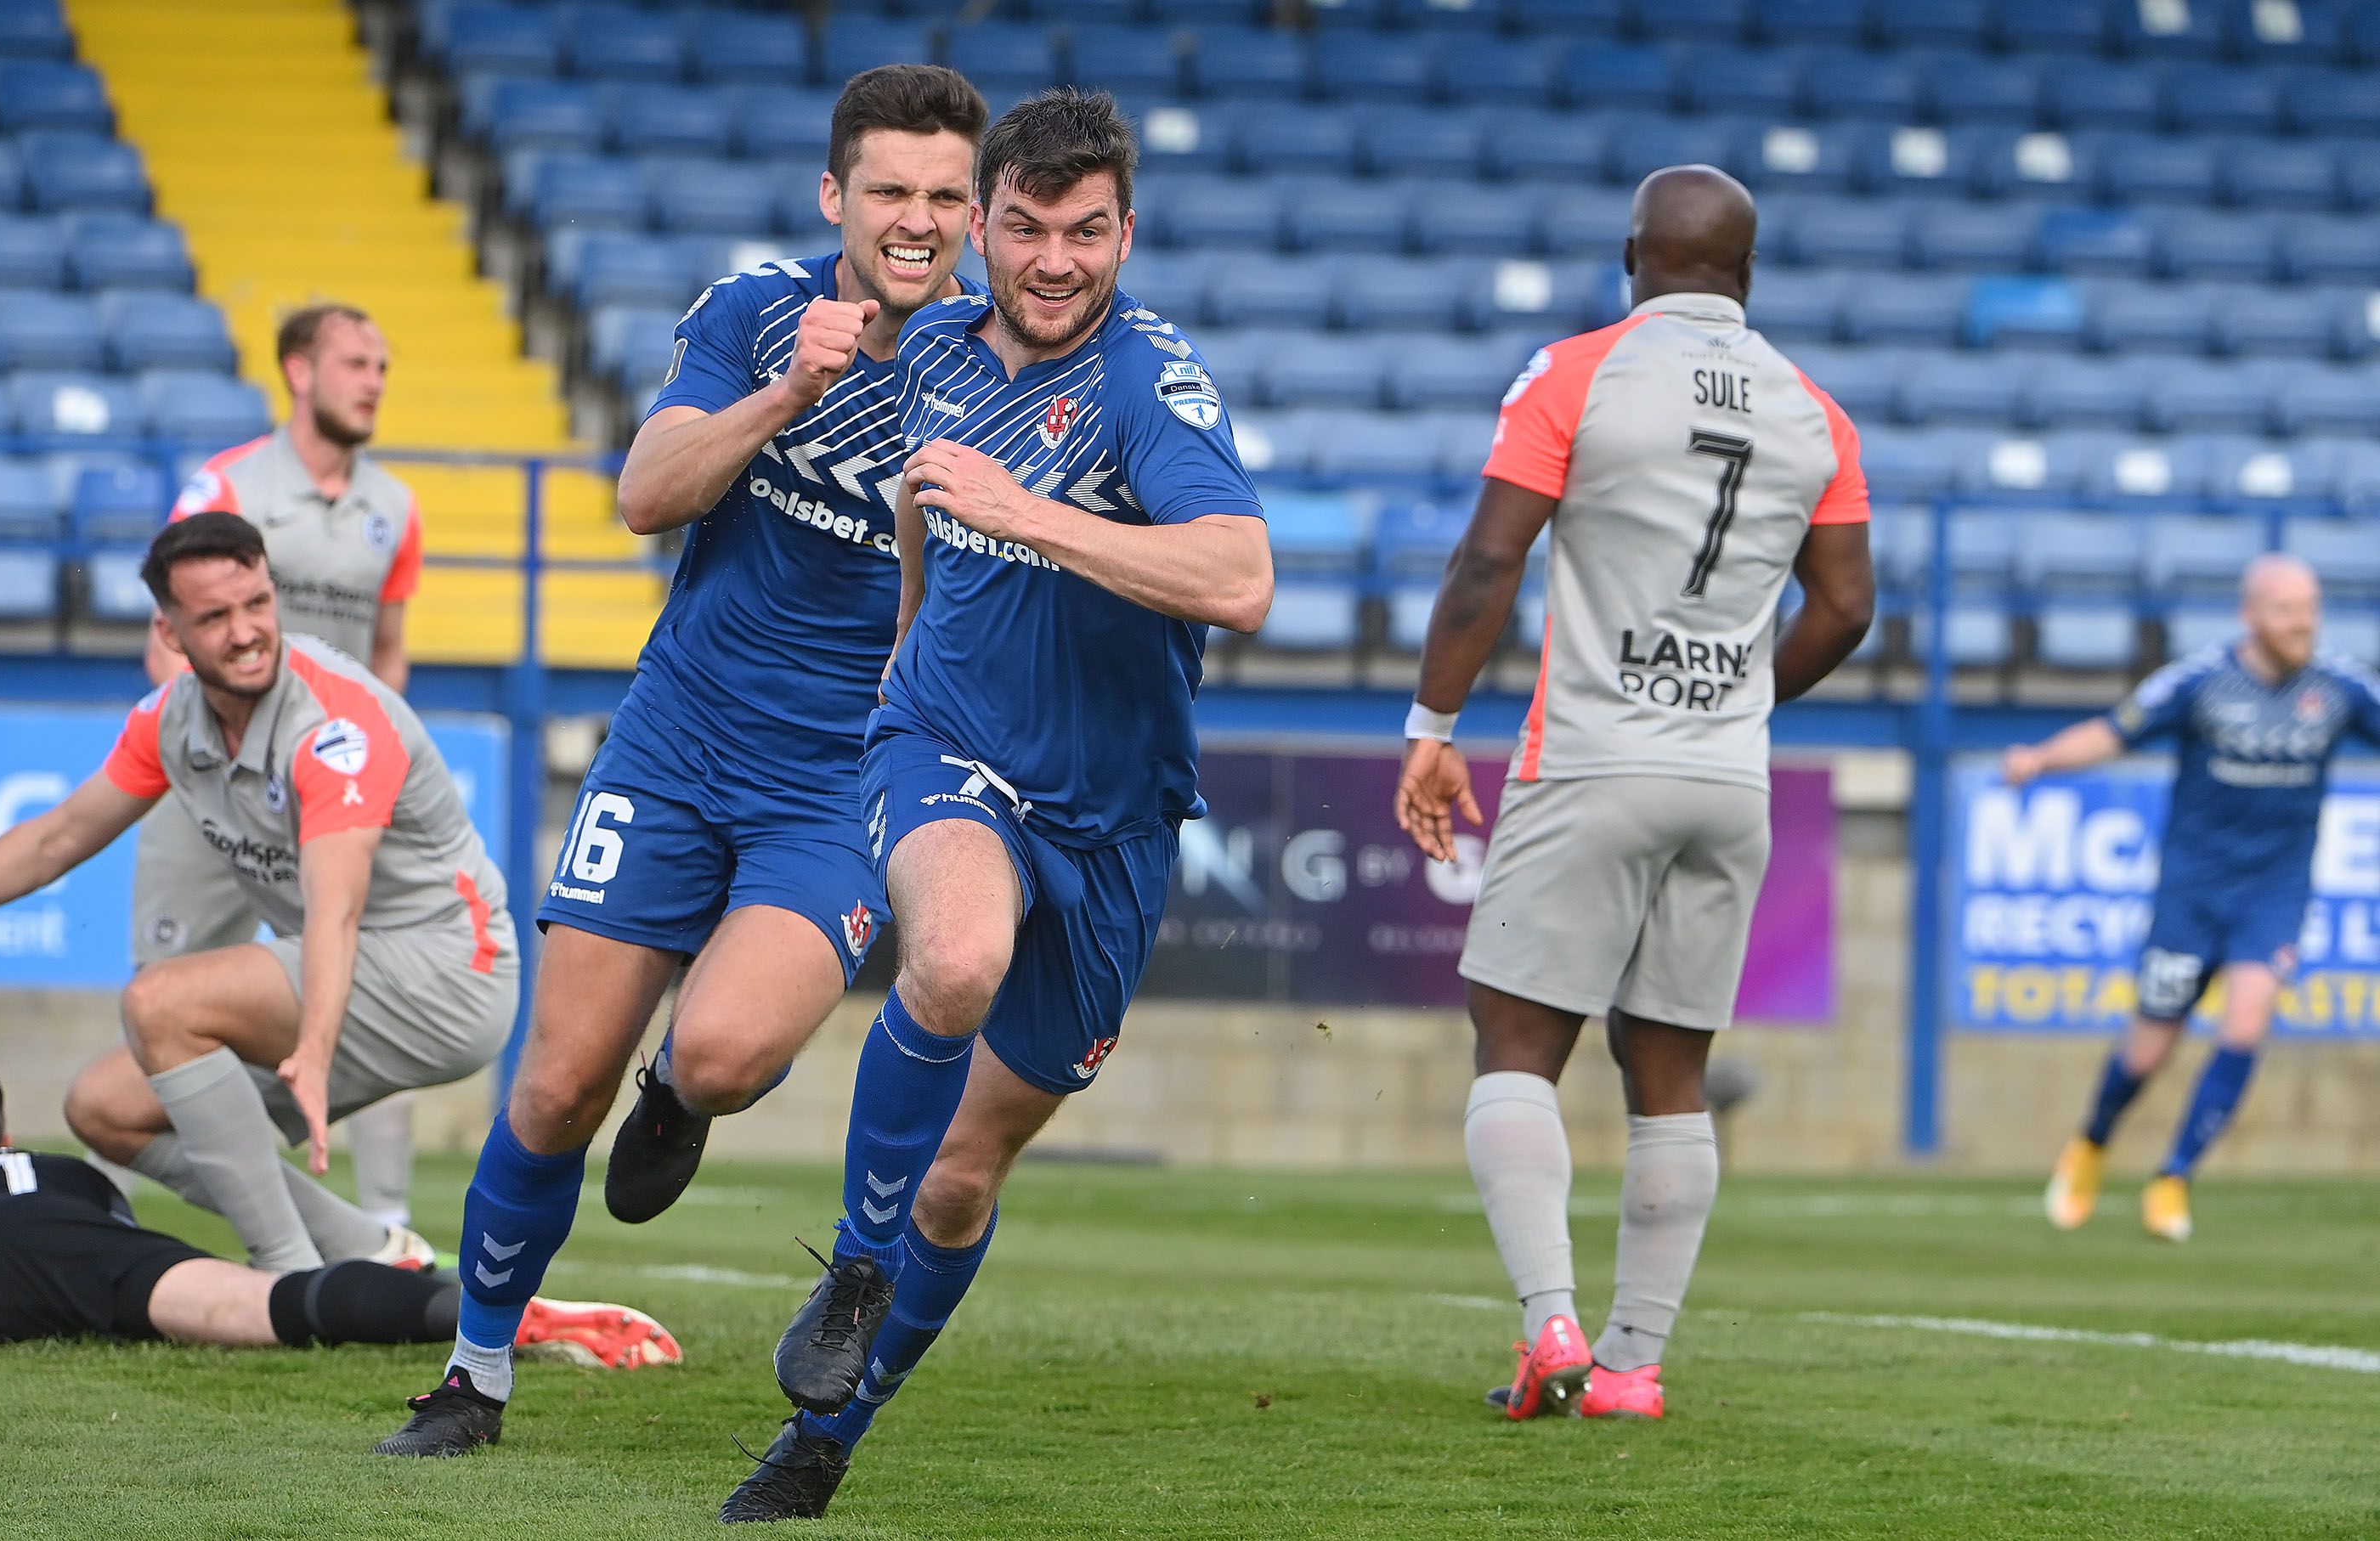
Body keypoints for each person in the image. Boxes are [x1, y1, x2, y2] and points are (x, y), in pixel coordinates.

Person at [369, 65, 990, 1460]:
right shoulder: (754, 311)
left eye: (948, 194)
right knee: (548, 1088)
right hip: (677, 739)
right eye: (891, 189)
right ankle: (473, 1377)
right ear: (838, 195)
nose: (920, 218)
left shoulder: (996, 367)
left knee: (716, 1050)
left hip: (844, 777)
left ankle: (681, 1094)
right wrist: (788, 392)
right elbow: (645, 494)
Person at [721, 87, 1273, 1522]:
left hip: (1115, 816)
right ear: (984, 225)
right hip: (947, 741)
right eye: (1024, 226)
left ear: (1125, 234)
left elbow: (1240, 578)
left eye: (1086, 232)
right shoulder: (941, 346)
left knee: (961, 1177)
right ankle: (851, 1260)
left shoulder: (1153, 386)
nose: (1053, 259)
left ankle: (829, 1435)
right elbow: (921, 493)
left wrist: (1027, 513)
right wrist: (912, 624)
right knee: (953, 956)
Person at [1392, 166, 1874, 1425]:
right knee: (1671, 1068)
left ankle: (1549, 1320)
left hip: (1596, 756)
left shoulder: (1575, 372)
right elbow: (1849, 606)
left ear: (1632, 255)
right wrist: (1745, 698)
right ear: (1748, 274)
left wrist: (1433, 725)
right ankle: (1632, 1367)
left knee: (1515, 1039)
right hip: (1730, 776)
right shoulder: (1818, 411)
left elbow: (1491, 555)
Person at [0, 514, 517, 1284]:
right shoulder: (171, 720)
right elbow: (55, 840)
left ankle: (285, 1278)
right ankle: (369, 1252)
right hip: (358, 974)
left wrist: (315, 1053)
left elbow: (336, 909)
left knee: (161, 1003)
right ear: (170, 630)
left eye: (257, 603)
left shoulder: (335, 726)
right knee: (104, 1107)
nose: (248, 632)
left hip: (452, 970)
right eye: (216, 617)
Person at [0, 1049, 675, 1370]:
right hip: (74, 1248)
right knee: (278, 1302)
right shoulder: (50, 1167)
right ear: (3, 1134)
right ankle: (498, 1312)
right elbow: (109, 1213)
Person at [146, 302, 427, 1238]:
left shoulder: (395, 509)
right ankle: (250, 1214)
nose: (375, 381)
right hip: (216, 786)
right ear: (298, 372)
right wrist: (202, 750)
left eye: (383, 364)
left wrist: (378, 761)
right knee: (165, 991)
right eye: (356, 361)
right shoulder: (225, 486)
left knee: (367, 974)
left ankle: (387, 1222)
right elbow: (168, 642)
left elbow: (388, 653)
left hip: (330, 789)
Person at [2017, 556, 2380, 1242]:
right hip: (2192, 896)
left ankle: (2174, 1177)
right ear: (2250, 614)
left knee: (2245, 1026)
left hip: (2273, 895)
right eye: (2285, 609)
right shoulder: (2200, 682)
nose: (2301, 622)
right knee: (2149, 1050)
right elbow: (2113, 730)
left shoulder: (2339, 688)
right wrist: (2040, 759)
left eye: (2310, 607)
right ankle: (2092, 1142)